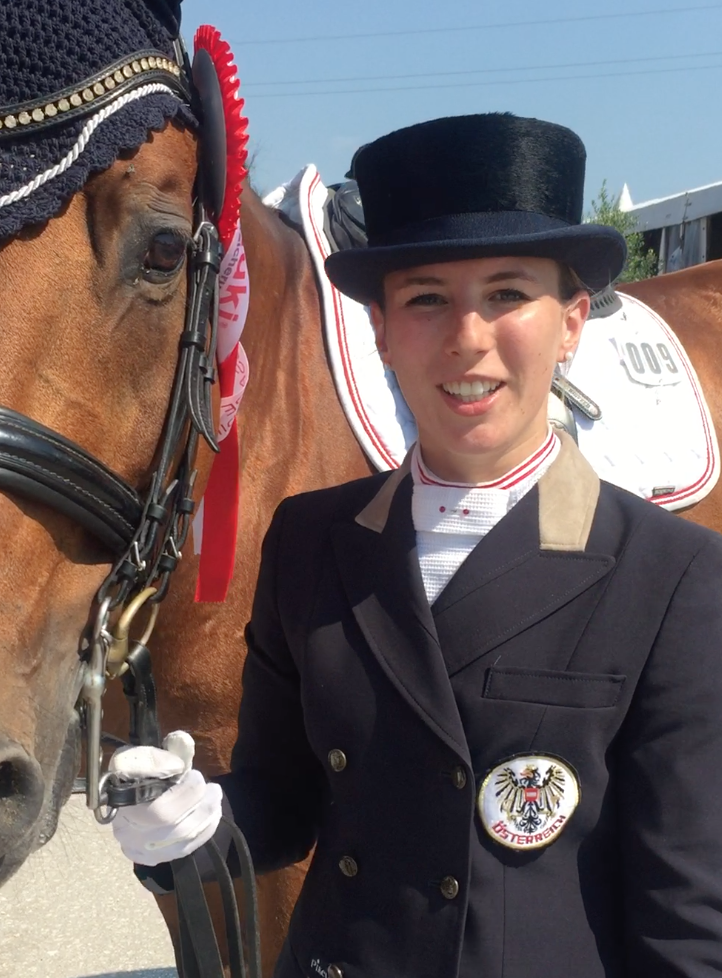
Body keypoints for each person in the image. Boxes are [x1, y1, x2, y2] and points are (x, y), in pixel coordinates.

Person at [110, 113, 722, 978]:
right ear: (384, 331)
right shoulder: (312, 539)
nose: (468, 337)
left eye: (508, 294)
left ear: (573, 321)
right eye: (427, 298)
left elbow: (686, 921)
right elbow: (285, 803)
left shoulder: (674, 574)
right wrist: (195, 823)